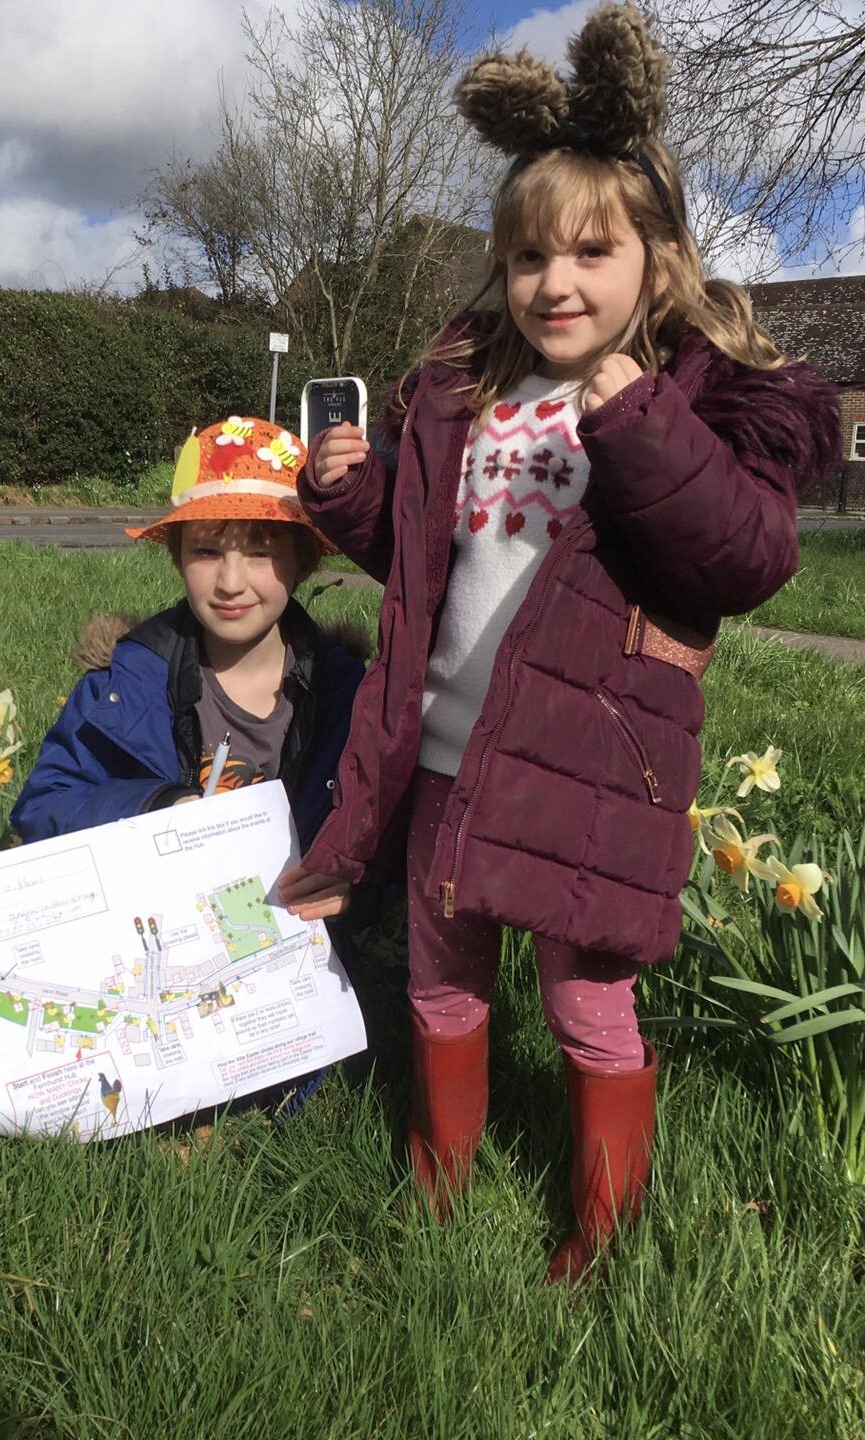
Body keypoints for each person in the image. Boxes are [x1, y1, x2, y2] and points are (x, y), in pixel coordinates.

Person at [277, 3, 840, 1280]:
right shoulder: (467, 390)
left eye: (594, 251)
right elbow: (429, 562)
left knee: (589, 1004)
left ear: (658, 258)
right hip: (442, 754)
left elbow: (744, 556)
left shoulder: (692, 394)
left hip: (594, 763)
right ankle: (440, 1183)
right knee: (442, 976)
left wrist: (639, 420)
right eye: (532, 257)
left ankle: (600, 1226)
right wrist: (351, 494)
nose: (558, 283)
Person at [12, 415, 372, 1117]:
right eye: (207, 549)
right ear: (177, 556)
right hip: (154, 942)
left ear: (303, 561)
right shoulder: (126, 684)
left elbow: (395, 830)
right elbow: (44, 802)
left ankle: (262, 1096)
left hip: (284, 945)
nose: (232, 581)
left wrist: (357, 885)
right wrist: (153, 807)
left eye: (262, 552)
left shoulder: (345, 694)